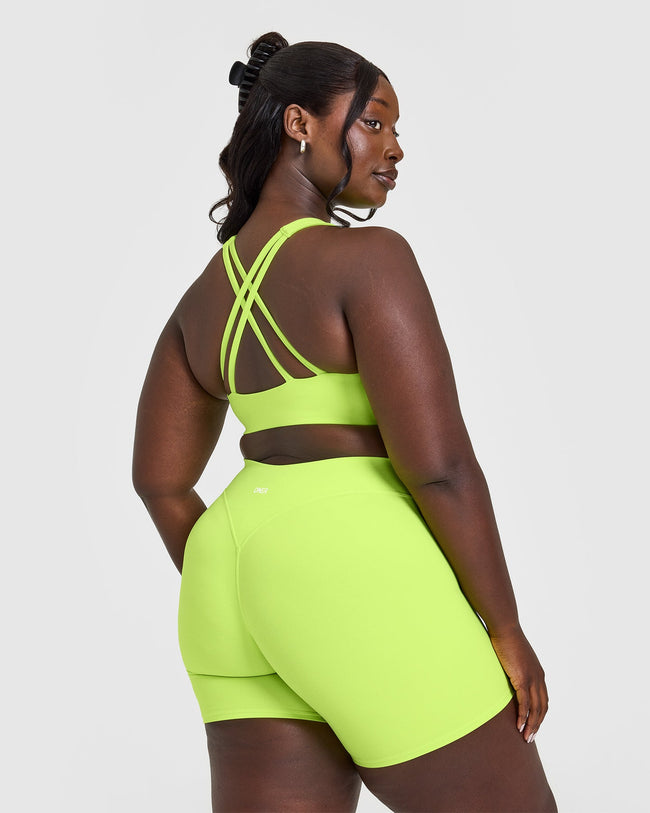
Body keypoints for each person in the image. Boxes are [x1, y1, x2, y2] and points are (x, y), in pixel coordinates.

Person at [132, 32, 557, 813]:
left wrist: (261, 584)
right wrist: (505, 627)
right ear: (300, 123)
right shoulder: (369, 260)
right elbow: (439, 467)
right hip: (347, 561)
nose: (394, 147)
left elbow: (158, 481)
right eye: (374, 122)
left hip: (224, 581)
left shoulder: (200, 298)